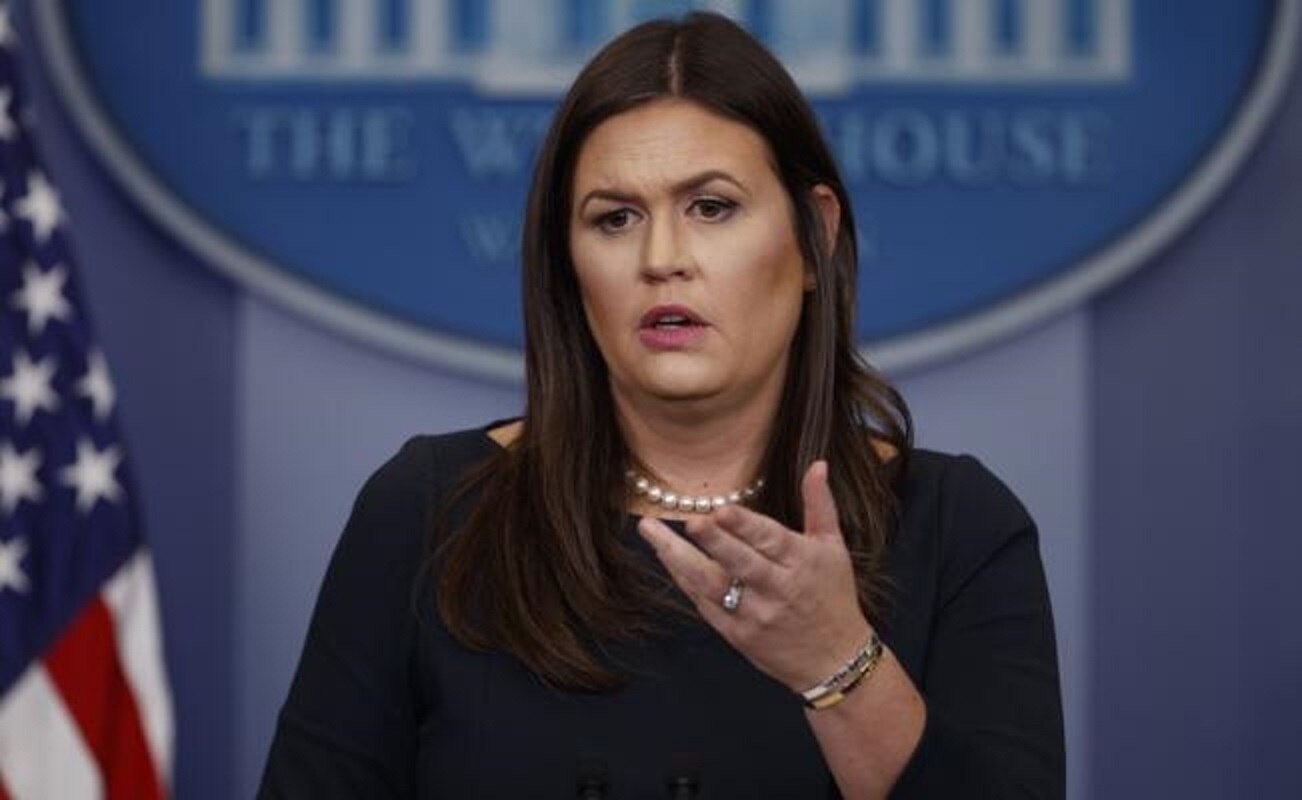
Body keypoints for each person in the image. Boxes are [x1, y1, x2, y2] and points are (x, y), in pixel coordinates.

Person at [259, 12, 1064, 799]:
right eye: (615, 218)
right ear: (568, 264)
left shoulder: (956, 527)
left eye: (711, 208)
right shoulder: (430, 510)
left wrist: (838, 663)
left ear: (814, 235)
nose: (662, 259)